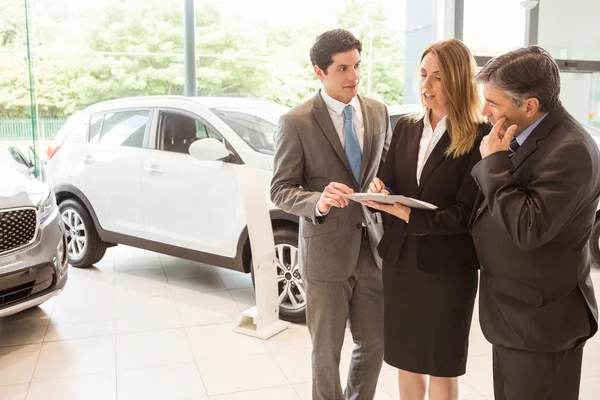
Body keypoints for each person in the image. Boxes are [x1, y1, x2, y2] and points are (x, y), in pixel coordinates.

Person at [468, 45, 600, 400]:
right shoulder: (523, 135)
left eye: (493, 103)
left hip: (543, 324)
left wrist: (494, 163)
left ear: (529, 105)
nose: (484, 111)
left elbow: (529, 228)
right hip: (514, 316)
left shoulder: (571, 150)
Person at [363, 38, 488, 400]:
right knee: (406, 360)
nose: (426, 85)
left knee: (442, 364)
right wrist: (380, 193)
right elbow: (391, 180)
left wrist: (406, 214)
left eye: (437, 77)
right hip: (401, 263)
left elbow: (466, 214)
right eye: (422, 75)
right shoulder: (405, 126)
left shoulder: (479, 136)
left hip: (448, 271)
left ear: (458, 81)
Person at [270, 29, 392, 400]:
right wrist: (318, 203)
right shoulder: (297, 122)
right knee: (326, 354)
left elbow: (382, 167)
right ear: (318, 72)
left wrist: (382, 186)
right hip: (325, 254)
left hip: (372, 248)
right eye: (342, 68)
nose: (353, 76)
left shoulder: (377, 110)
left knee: (374, 347)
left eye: (357, 66)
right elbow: (280, 189)